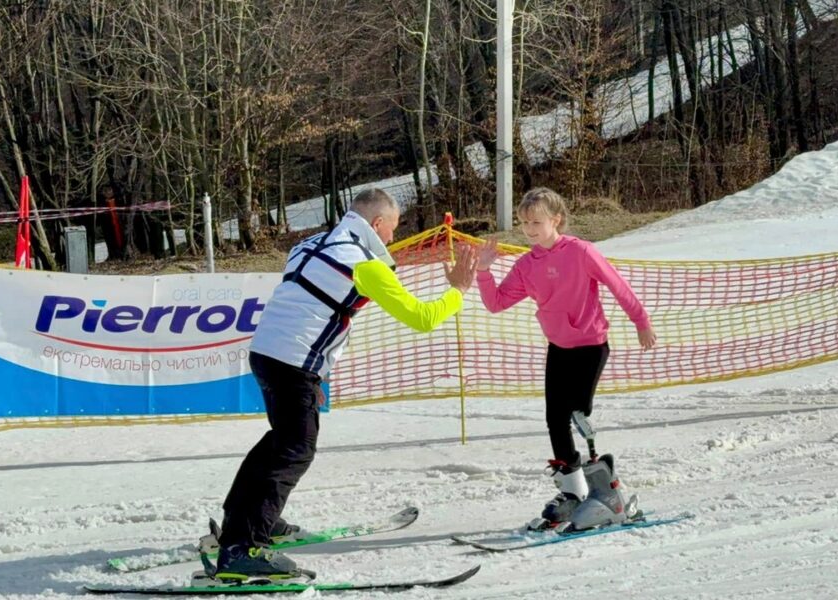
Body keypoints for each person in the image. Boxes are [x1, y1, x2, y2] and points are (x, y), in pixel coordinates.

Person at [215, 188, 478, 580]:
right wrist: (458, 290)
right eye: (392, 229)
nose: (391, 238)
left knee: (281, 441)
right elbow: (422, 318)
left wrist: (315, 372)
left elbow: (310, 305)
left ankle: (243, 524)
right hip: (291, 361)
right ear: (376, 225)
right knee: (294, 449)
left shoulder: (308, 244)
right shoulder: (365, 265)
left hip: (268, 353)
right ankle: (243, 548)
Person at [475, 187, 656, 528]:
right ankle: (573, 493)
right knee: (554, 420)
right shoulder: (527, 265)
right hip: (558, 348)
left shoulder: (581, 252)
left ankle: (608, 493)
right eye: (524, 222)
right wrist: (484, 271)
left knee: (576, 413)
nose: (529, 229)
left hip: (590, 345)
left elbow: (618, 285)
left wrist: (641, 322)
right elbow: (496, 303)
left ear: (556, 219)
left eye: (536, 222)